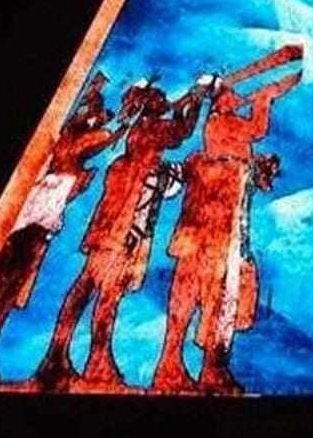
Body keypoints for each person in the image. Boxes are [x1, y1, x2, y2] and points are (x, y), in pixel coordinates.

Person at [0, 74, 126, 384]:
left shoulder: (67, 144)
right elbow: (104, 137)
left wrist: (98, 96)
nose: (96, 119)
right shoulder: (72, 141)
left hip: (31, 225)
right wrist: (120, 117)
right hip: (30, 227)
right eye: (93, 114)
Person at [37, 77, 206, 391]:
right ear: (148, 106)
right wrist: (196, 100)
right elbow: (181, 133)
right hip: (123, 226)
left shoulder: (136, 142)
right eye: (158, 100)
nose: (164, 103)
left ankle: (56, 355)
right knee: (107, 290)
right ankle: (97, 359)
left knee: (86, 285)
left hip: (112, 223)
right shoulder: (150, 133)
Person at [152, 70, 300, 395]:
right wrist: (264, 99)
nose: (238, 97)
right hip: (213, 229)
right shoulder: (222, 124)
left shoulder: (224, 143)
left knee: (211, 293)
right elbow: (258, 129)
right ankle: (183, 365)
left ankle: (201, 365)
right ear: (220, 99)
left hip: (212, 227)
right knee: (207, 291)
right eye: (232, 93)